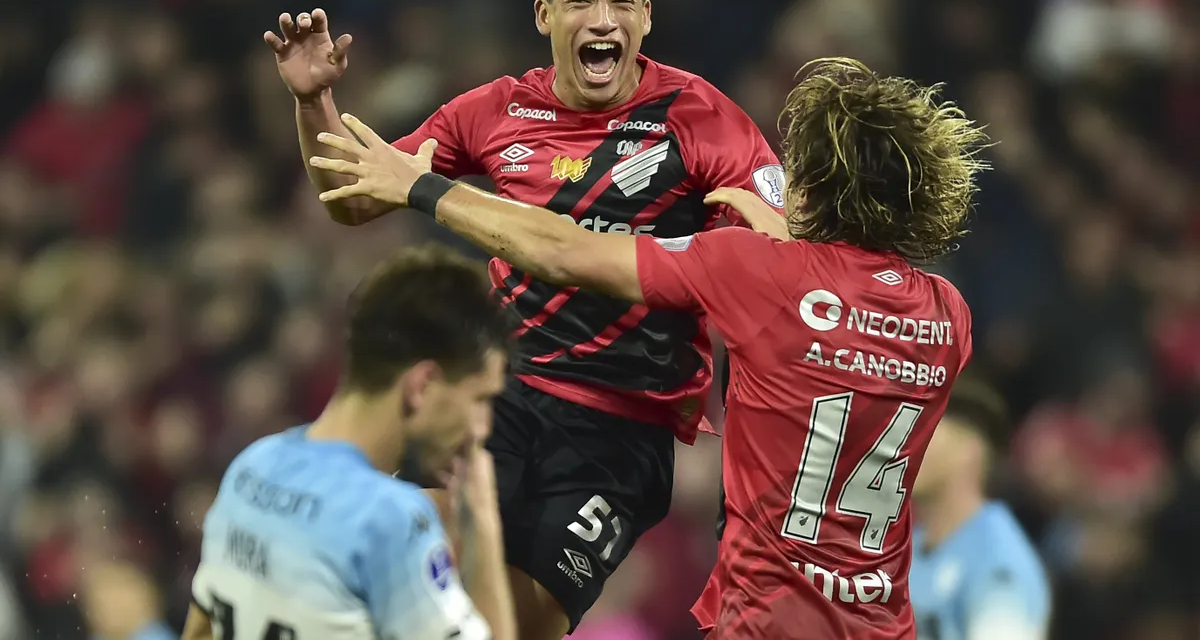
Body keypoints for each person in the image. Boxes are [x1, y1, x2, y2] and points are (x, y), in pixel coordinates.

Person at [306, 56, 989, 639]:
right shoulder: (949, 317)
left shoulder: (754, 270)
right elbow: (849, 314)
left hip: (766, 618)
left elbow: (565, 249)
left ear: (811, 187)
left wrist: (422, 187)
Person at [266, 0, 784, 638]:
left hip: (619, 435)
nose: (602, 18)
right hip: (496, 395)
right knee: (411, 587)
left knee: (504, 628)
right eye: (580, 0)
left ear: (646, 17)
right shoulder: (497, 109)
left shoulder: (703, 119)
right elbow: (353, 199)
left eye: (621, 1)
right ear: (545, 15)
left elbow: (780, 257)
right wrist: (313, 102)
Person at [180, 246, 516, 640]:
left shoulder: (252, 467)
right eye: (480, 399)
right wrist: (482, 521)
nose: (481, 427)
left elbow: (200, 632)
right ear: (422, 385)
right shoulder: (388, 519)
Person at [908, 379, 1051, 640]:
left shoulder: (999, 563)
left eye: (924, 433)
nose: (907, 448)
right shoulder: (911, 546)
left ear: (968, 451)